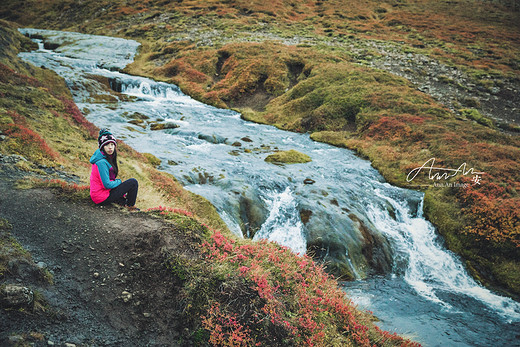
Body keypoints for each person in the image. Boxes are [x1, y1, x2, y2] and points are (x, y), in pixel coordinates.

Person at [89, 129, 139, 211]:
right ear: (102, 147)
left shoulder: (106, 158)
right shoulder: (101, 162)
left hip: (102, 194)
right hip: (100, 197)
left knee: (123, 194)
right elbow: (107, 185)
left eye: (112, 144)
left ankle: (123, 202)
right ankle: (130, 206)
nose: (110, 147)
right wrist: (119, 182)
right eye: (107, 145)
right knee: (133, 182)